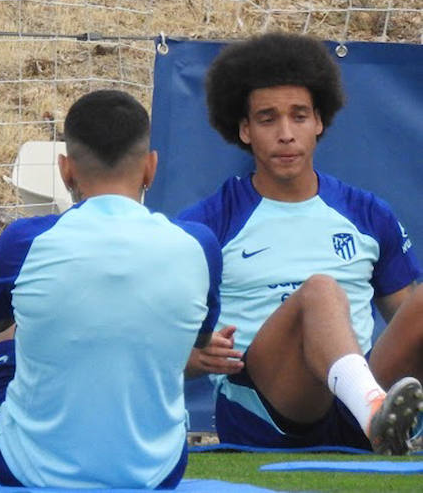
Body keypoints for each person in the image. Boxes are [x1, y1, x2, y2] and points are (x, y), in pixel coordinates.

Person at [0, 90, 221, 489]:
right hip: (158, 473)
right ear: (150, 169)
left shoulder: (26, 240)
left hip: (30, 472)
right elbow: (201, 340)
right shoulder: (199, 244)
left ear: (65, 170)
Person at [179, 31, 423, 454]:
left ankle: (374, 416)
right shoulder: (208, 223)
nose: (286, 134)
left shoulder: (367, 213)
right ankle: (374, 412)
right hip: (264, 408)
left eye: (299, 116)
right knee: (321, 292)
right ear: (244, 130)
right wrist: (192, 358)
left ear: (319, 122)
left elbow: (408, 320)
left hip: (354, 403)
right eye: (268, 118)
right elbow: (151, 339)